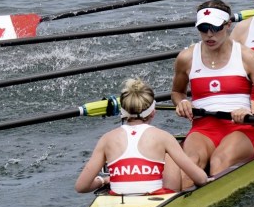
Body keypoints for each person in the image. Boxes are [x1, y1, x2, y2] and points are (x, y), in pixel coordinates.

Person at [164, 0, 254, 191]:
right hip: (203, 128)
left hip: (240, 128)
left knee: (219, 161)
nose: (209, 34)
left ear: (228, 25)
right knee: (188, 168)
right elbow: (177, 92)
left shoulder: (247, 57)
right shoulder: (186, 58)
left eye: (216, 28)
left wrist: (252, 118)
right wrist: (182, 102)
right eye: (203, 28)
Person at [75, 77, 209, 195]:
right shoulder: (163, 137)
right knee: (168, 154)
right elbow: (201, 179)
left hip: (118, 199)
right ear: (153, 112)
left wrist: (103, 180)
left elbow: (81, 187)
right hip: (157, 201)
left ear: (123, 112)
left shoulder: (107, 139)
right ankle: (171, 195)